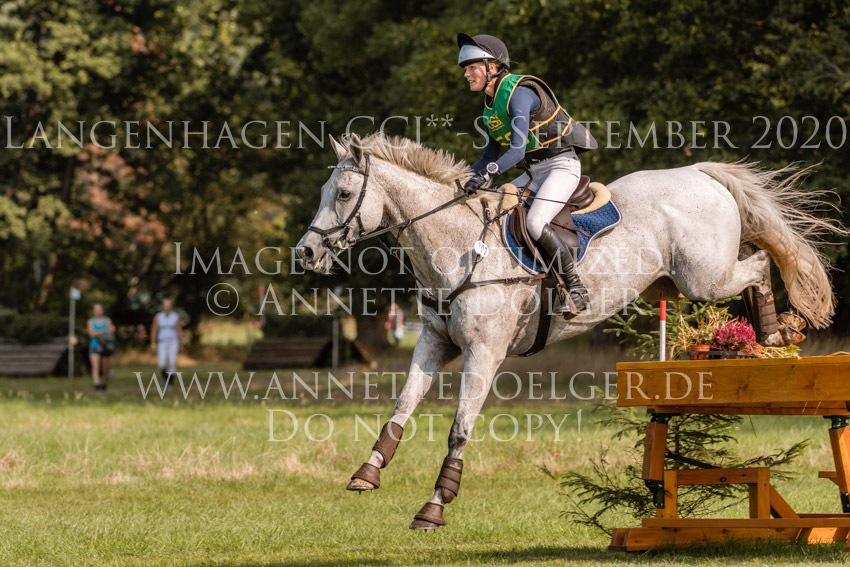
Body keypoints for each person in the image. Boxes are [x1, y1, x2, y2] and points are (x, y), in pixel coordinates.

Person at [457, 32, 598, 315]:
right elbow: (487, 158)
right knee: (496, 211)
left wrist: (487, 174)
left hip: (561, 166)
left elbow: (517, 151)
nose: (466, 74)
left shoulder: (519, 93)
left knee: (535, 222)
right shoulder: (489, 110)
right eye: (466, 69)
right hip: (535, 172)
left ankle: (576, 289)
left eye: (472, 68)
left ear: (492, 67)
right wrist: (457, 178)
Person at [150, 299, 183, 388]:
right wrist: (153, 344)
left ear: (171, 307)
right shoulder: (158, 317)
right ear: (163, 306)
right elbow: (154, 331)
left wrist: (181, 343)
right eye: (165, 306)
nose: (167, 308)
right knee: (161, 364)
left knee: (172, 362)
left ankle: (170, 383)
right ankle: (165, 378)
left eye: (169, 306)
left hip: (173, 342)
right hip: (162, 342)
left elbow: (179, 330)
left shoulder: (175, 317)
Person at [87, 304, 116, 391]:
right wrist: (104, 331)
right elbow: (91, 333)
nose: (98, 312)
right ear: (93, 311)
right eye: (96, 310)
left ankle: (103, 383)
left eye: (99, 310)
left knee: (105, 368)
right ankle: (97, 385)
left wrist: (97, 332)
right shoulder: (90, 321)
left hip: (105, 346)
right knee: (95, 367)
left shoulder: (107, 320)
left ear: (102, 311)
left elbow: (112, 330)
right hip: (95, 346)